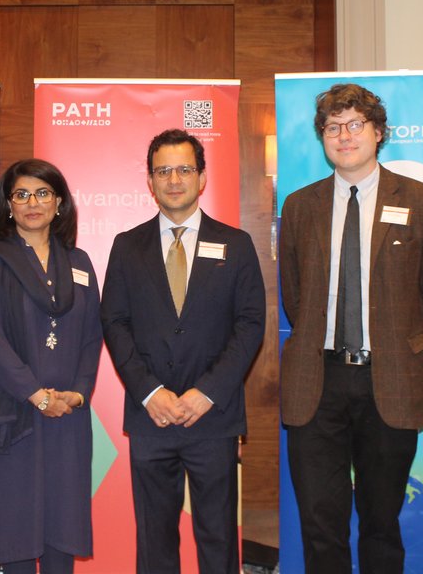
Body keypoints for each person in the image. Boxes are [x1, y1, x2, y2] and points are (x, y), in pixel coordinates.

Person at [279, 82, 423, 573]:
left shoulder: (419, 201)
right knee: (320, 523)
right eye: (333, 127)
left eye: (355, 124)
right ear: (322, 138)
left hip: (390, 379)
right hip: (318, 381)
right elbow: (296, 295)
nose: (344, 135)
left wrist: (410, 345)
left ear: (378, 132)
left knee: (381, 522)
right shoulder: (300, 205)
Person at [101, 128, 265, 574]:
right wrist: (150, 393)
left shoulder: (236, 243)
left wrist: (205, 392)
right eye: (163, 171)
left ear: (202, 177)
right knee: (155, 540)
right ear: (150, 181)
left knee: (218, 537)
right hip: (151, 416)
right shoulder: (126, 246)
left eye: (184, 169)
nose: (174, 179)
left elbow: (250, 325)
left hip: (213, 416)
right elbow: (114, 323)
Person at [0, 159, 103, 573]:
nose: (32, 203)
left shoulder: (79, 262)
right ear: (8, 205)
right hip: (14, 412)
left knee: (62, 525)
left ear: (59, 202)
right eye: (21, 194)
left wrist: (78, 392)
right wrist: (37, 396)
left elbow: (93, 334)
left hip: (67, 415)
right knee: (16, 526)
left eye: (42, 193)